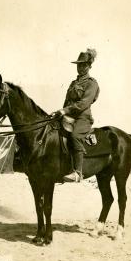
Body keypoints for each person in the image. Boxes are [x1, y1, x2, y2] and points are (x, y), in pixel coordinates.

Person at [51, 48, 100, 182]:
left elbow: (84, 103)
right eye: (79, 64)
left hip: (82, 118)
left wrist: (66, 111)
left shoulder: (92, 83)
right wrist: (61, 112)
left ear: (89, 66)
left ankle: (78, 172)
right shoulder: (74, 83)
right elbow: (67, 101)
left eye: (83, 65)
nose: (80, 67)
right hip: (69, 116)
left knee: (74, 136)